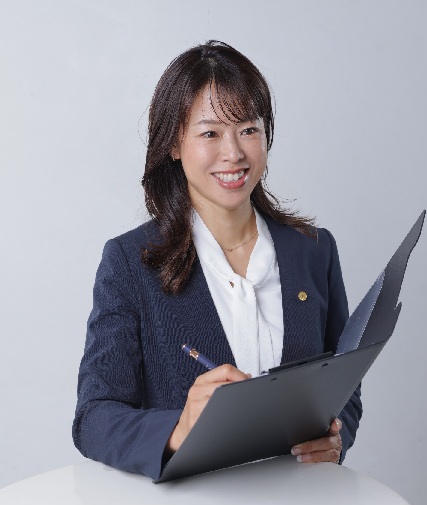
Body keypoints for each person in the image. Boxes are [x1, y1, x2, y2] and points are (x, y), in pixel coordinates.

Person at [73, 40, 362, 481]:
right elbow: (93, 418)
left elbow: (345, 383)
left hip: (302, 500)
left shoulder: (314, 250)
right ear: (174, 143)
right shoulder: (130, 262)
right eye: (210, 133)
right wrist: (178, 429)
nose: (234, 153)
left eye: (248, 129)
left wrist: (337, 437)